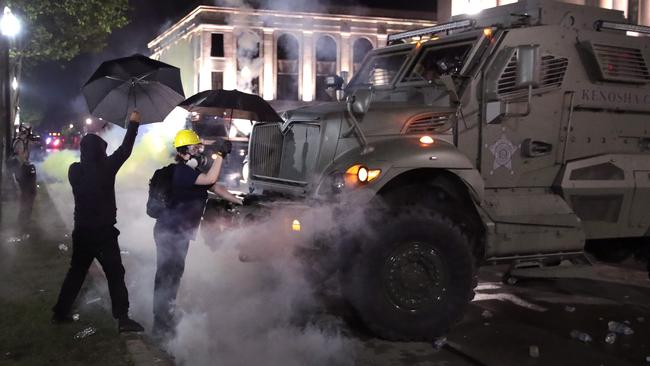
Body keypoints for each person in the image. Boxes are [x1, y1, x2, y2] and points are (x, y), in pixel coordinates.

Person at [52, 111, 144, 333]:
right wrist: (133, 123)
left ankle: (60, 312)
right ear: (100, 152)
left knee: (77, 271)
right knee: (115, 274)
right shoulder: (106, 168)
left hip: (82, 231)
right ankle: (123, 318)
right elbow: (125, 150)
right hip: (103, 233)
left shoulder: (75, 171)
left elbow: (106, 156)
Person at [152, 129, 241, 338]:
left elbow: (215, 187)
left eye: (199, 147)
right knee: (167, 278)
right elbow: (210, 178)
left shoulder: (190, 172)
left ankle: (165, 320)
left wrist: (240, 201)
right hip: (170, 233)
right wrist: (220, 155)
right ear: (184, 151)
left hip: (177, 233)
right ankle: (161, 326)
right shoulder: (182, 172)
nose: (198, 151)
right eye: (195, 148)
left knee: (172, 276)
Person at [11, 125, 37, 236]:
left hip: (23, 171)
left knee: (30, 194)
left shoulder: (23, 141)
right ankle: (22, 221)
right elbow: (19, 157)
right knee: (26, 195)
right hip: (21, 171)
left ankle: (26, 219)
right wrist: (26, 163)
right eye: (28, 132)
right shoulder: (19, 142)